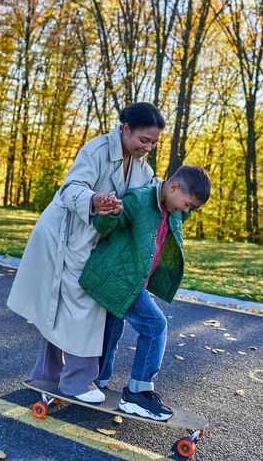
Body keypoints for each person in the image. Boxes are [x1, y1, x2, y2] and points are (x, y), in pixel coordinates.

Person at [7, 102, 165, 402]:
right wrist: (95, 199)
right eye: (144, 139)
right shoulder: (95, 150)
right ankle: (77, 382)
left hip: (95, 238)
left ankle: (45, 376)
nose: (148, 147)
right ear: (126, 128)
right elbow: (70, 189)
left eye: (154, 142)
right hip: (64, 233)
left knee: (64, 307)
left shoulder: (145, 171)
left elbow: (137, 204)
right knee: (83, 304)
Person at [79, 165, 211, 420]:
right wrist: (108, 212)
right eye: (187, 204)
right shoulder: (139, 199)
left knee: (112, 328)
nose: (187, 210)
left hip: (131, 280)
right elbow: (106, 225)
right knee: (154, 325)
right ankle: (137, 393)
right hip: (118, 279)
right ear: (173, 187)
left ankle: (97, 379)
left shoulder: (173, 209)